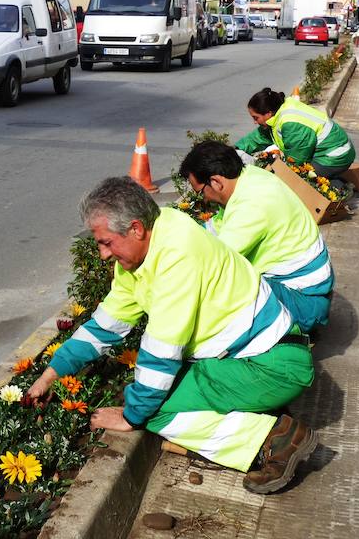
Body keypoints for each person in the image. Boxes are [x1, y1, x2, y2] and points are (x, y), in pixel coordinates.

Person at [27, 177, 319, 494]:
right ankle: (262, 415)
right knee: (145, 393)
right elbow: (105, 326)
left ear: (136, 228)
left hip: (272, 365)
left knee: (155, 411)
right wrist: (51, 374)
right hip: (257, 355)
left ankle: (276, 438)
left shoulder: (176, 259)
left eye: (106, 242)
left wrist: (130, 418)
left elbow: (161, 355)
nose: (103, 255)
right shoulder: (152, 244)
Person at [179, 141, 334, 332]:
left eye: (200, 192)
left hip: (304, 303)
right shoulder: (248, 177)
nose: (203, 199)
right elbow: (215, 229)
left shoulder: (251, 205)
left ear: (217, 182)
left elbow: (214, 264)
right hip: (303, 290)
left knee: (219, 290)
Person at [236, 87, 356, 181]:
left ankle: (339, 186)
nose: (254, 122)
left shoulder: (290, 124)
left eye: (256, 118)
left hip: (335, 156)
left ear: (268, 113)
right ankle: (332, 179)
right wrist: (235, 149)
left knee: (298, 182)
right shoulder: (277, 115)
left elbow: (296, 160)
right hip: (328, 152)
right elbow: (259, 137)